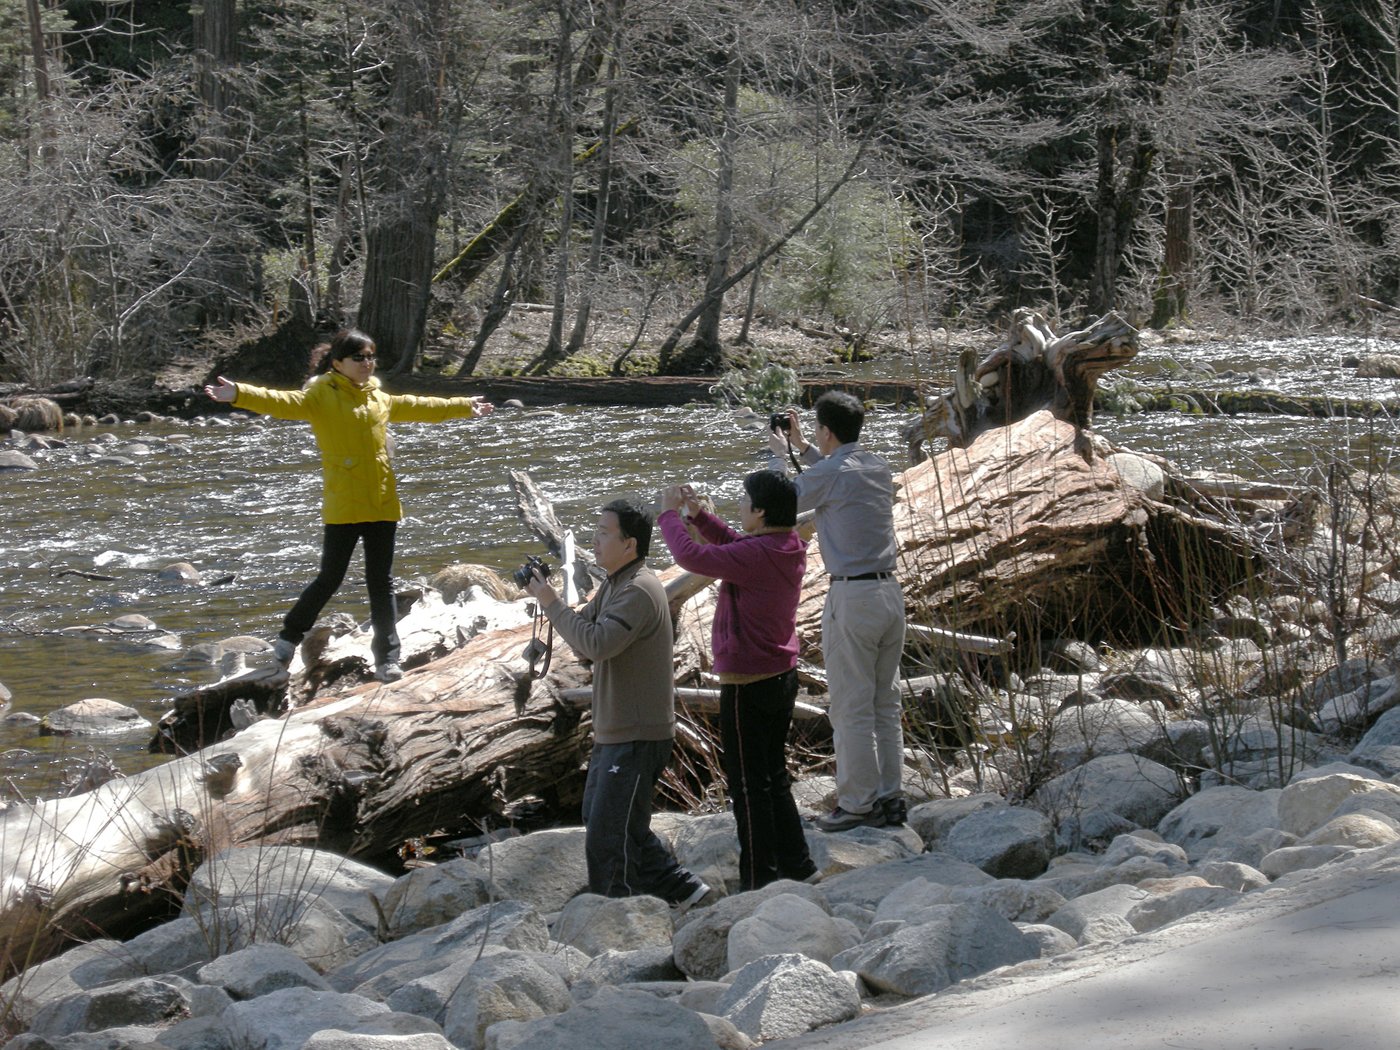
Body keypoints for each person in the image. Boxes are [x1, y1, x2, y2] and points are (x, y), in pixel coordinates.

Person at [203, 328, 493, 684]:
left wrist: (464, 406)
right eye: (359, 358)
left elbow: (419, 405)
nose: (367, 364)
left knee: (380, 583)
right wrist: (237, 393)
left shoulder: (378, 398)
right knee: (330, 578)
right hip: (344, 504)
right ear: (338, 362)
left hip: (382, 502)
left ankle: (387, 659)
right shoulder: (320, 395)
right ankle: (289, 636)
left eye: (371, 357)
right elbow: (278, 401)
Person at [523, 497, 710, 908]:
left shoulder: (640, 589)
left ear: (630, 545)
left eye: (604, 533)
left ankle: (616, 917)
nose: (595, 539)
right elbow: (586, 638)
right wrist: (547, 599)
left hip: (637, 733)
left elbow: (596, 642)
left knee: (609, 836)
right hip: (616, 728)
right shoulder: (613, 584)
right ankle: (687, 892)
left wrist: (552, 603)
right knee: (611, 822)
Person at [656, 471, 818, 889]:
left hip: (749, 683)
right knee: (772, 777)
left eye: (746, 499)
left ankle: (758, 879)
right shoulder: (782, 544)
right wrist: (698, 515)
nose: (741, 505)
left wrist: (668, 516)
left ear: (760, 511)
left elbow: (691, 558)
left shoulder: (761, 553)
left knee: (748, 786)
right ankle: (798, 865)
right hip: (780, 676)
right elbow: (734, 544)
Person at [771, 391, 906, 832]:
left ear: (826, 431)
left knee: (850, 709)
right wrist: (802, 448)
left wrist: (780, 454)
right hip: (890, 595)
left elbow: (779, 501)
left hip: (853, 599)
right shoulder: (876, 466)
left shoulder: (831, 473)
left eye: (815, 430)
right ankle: (890, 798)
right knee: (885, 703)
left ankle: (856, 804)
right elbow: (831, 471)